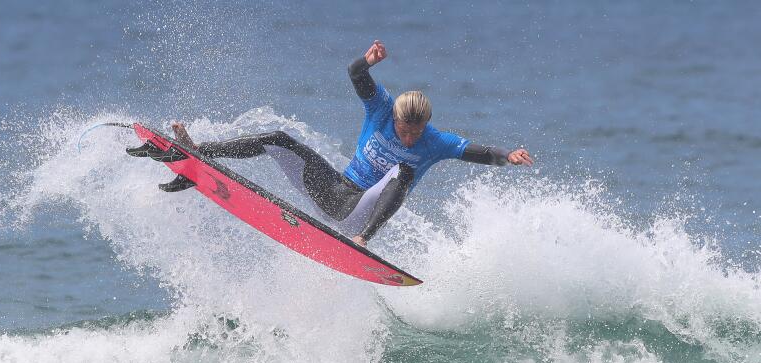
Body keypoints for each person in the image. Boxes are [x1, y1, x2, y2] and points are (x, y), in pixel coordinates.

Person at [136, 40, 533, 247]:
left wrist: (507, 156)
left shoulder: (436, 142)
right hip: (332, 193)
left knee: (404, 171)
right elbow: (355, 74)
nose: (408, 135)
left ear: (426, 124)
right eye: (403, 128)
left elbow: (480, 153)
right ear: (394, 115)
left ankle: (362, 241)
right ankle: (198, 152)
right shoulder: (381, 110)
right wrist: (366, 62)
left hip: (361, 213)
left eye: (415, 131)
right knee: (278, 139)